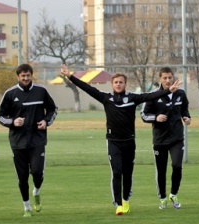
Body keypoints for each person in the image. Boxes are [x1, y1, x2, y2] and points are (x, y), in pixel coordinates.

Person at [60, 64, 182, 215]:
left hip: (129, 142)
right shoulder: (106, 98)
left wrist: (167, 91)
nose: (118, 84)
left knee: (127, 173)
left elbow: (150, 96)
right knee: (117, 172)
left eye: (121, 82)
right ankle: (118, 204)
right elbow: (87, 88)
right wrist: (70, 76)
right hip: (113, 142)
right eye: (116, 82)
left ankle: (125, 199)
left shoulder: (132, 98)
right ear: (112, 84)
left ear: (125, 84)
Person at [0, 63, 58, 217]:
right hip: (18, 142)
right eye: (22, 76)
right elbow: (0, 116)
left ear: (31, 75)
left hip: (37, 140)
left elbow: (53, 109)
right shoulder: (10, 94)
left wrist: (46, 121)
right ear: (18, 76)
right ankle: (27, 207)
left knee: (37, 172)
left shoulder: (41, 91)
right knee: (22, 177)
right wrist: (13, 122)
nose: (25, 78)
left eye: (28, 75)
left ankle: (36, 192)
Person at [141, 67, 191, 210]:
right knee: (161, 170)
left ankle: (173, 194)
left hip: (176, 138)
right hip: (160, 139)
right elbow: (144, 115)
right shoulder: (154, 95)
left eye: (170, 77)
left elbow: (185, 110)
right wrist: (155, 118)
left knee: (177, 165)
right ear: (160, 79)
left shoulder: (181, 94)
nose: (168, 80)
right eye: (165, 78)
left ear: (173, 78)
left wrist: (187, 118)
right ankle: (162, 198)